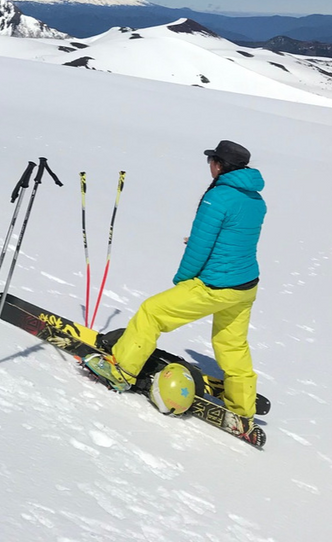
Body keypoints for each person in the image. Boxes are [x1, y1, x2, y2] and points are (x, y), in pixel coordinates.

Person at [83, 140, 266, 434]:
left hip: (215, 286)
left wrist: (184, 280)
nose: (209, 166)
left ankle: (122, 372)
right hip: (244, 286)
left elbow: (200, 247)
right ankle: (242, 412)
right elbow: (236, 237)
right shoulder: (255, 199)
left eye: (212, 161)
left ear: (220, 165)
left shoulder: (218, 197)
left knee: (152, 312)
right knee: (233, 346)